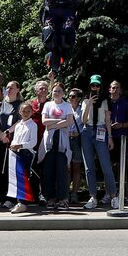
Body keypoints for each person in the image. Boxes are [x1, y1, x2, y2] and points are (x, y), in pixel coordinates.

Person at [80, 76, 118, 210]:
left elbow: (108, 119)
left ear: (101, 87)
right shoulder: (85, 100)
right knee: (89, 167)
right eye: (92, 85)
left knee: (106, 165)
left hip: (101, 130)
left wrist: (110, 137)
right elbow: (83, 120)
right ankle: (93, 197)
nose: (94, 88)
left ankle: (114, 196)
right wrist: (89, 103)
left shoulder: (105, 100)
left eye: (97, 85)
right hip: (87, 132)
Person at [38, 82, 76, 212]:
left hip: (62, 140)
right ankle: (50, 198)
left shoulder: (67, 106)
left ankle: (63, 198)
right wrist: (60, 122)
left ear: (63, 93)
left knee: (62, 168)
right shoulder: (48, 105)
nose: (57, 93)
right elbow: (44, 121)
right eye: (55, 91)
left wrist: (53, 123)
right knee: (48, 169)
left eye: (59, 91)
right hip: (49, 140)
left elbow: (70, 121)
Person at [0, 79, 21, 209]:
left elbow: (20, 121)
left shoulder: (20, 104)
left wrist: (7, 133)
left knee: (9, 171)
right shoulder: (0, 105)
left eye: (12, 87)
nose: (9, 89)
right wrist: (0, 135)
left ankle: (9, 198)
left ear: (17, 90)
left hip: (12, 142)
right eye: (7, 87)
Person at [8, 101, 40, 213]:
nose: (26, 113)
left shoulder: (33, 125)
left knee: (23, 177)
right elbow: (15, 138)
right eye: (23, 111)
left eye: (28, 111)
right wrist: (13, 145)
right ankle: (19, 202)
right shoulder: (18, 125)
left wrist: (20, 145)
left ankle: (23, 203)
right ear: (20, 112)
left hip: (26, 153)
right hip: (16, 153)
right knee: (16, 178)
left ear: (31, 112)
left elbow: (33, 142)